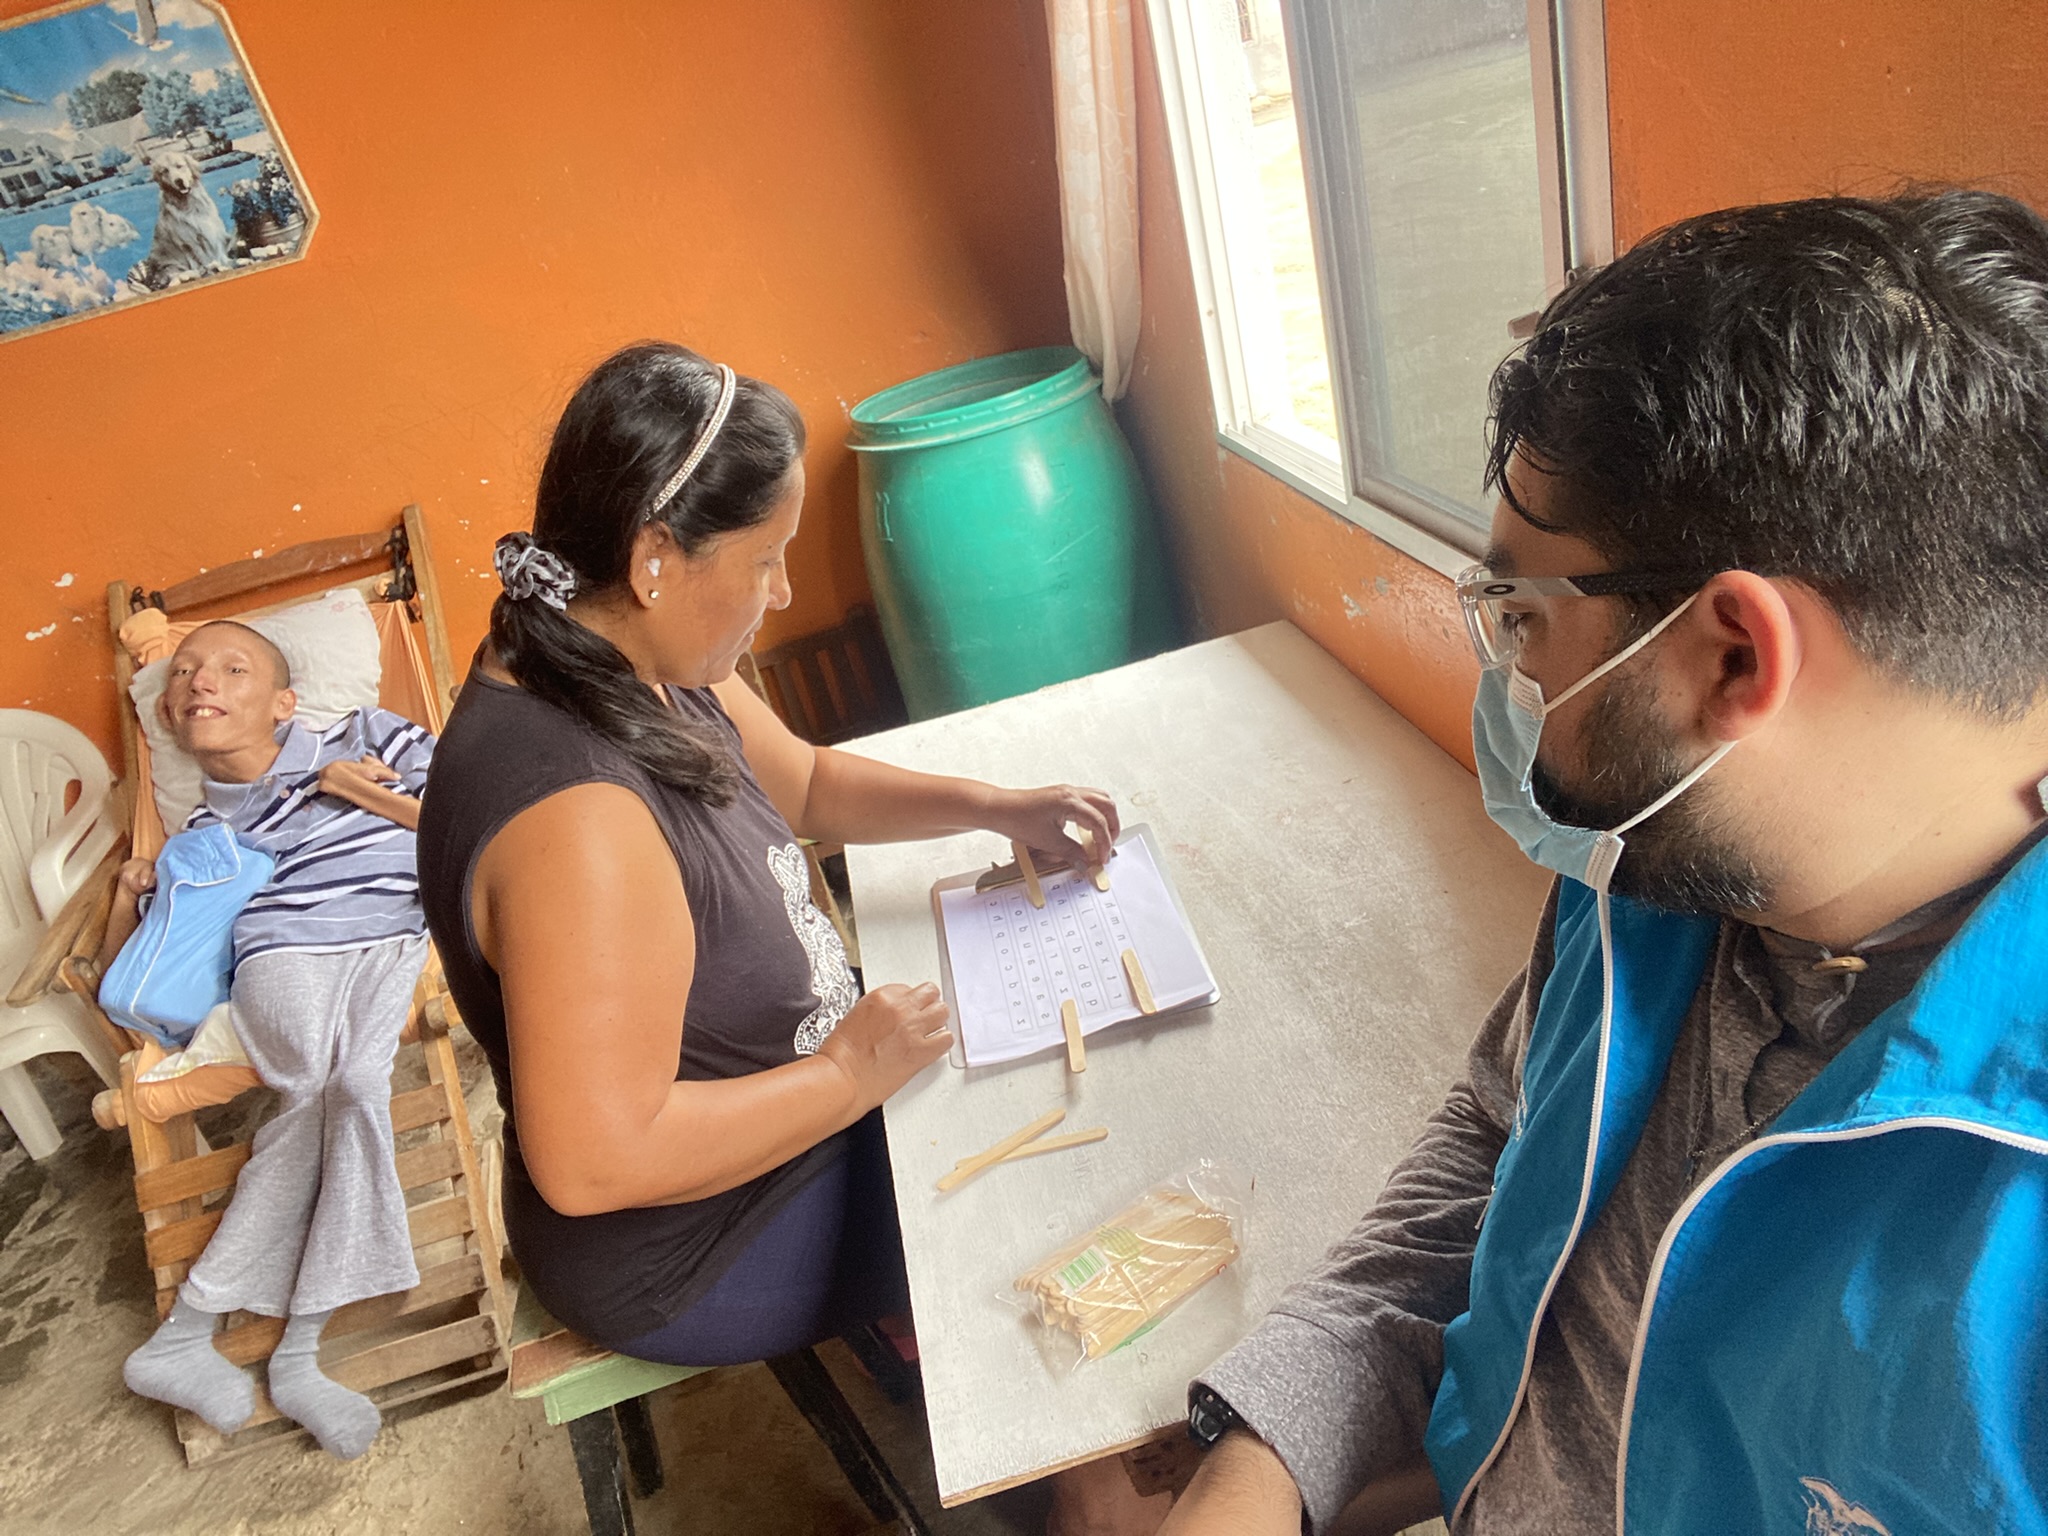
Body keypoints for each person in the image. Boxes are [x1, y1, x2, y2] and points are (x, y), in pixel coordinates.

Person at [1161, 190, 2048, 1536]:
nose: (1508, 676)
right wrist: (1268, 1454)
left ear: (1733, 657)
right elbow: (1501, 1136)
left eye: (1521, 617)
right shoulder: (1661, 869)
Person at [415, 342, 1125, 1392]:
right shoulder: (580, 821)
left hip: (785, 1096)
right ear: (655, 558)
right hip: (694, 1237)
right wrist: (844, 1075)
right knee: (1051, 1179)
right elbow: (598, 1162)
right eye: (765, 559)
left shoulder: (623, 650)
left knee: (1027, 1077)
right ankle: (1052, 1452)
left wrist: (993, 807)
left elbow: (808, 786)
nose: (783, 591)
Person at [114, 620, 437, 1459]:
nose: (199, 681)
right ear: (171, 717)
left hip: (399, 935)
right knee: (339, 1087)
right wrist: (130, 891)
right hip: (284, 951)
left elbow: (468, 821)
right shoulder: (198, 836)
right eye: (183, 673)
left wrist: (355, 788)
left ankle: (192, 1335)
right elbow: (151, 968)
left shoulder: (368, 733)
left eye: (231, 668)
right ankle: (296, 1359)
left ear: (285, 702)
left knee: (340, 1090)